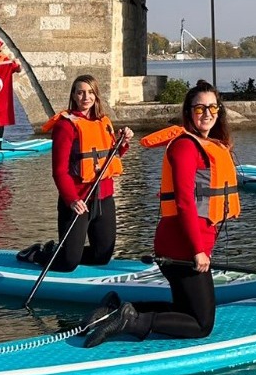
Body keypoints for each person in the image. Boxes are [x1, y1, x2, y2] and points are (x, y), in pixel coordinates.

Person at [83, 81, 241, 345]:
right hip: (183, 245)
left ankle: (114, 309)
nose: (207, 113)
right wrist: (197, 249)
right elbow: (184, 202)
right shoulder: (186, 146)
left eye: (213, 107)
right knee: (201, 324)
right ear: (189, 112)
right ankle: (131, 321)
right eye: (200, 108)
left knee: (185, 310)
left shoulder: (207, 144)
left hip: (185, 242)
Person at [18, 74, 134, 272]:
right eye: (80, 92)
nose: (85, 97)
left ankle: (61, 249)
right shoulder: (66, 126)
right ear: (73, 95)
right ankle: (38, 253)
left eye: (90, 93)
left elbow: (110, 158)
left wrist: (123, 144)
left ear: (96, 96)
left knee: (102, 257)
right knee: (69, 263)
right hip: (77, 200)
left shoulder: (103, 122)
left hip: (104, 198)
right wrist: (71, 199)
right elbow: (59, 171)